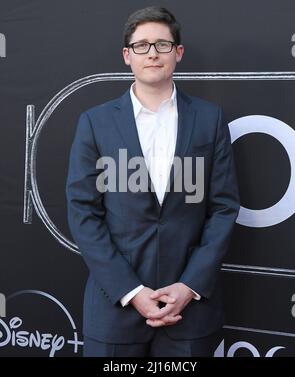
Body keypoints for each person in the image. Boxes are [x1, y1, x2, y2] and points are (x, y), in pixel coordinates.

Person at [66, 6, 240, 357]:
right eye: (142, 45)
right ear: (127, 55)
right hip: (115, 310)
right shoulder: (94, 123)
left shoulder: (210, 119)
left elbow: (223, 208)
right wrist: (131, 291)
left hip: (191, 314)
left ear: (178, 52)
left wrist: (190, 286)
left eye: (162, 44)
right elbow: (83, 212)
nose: (153, 53)